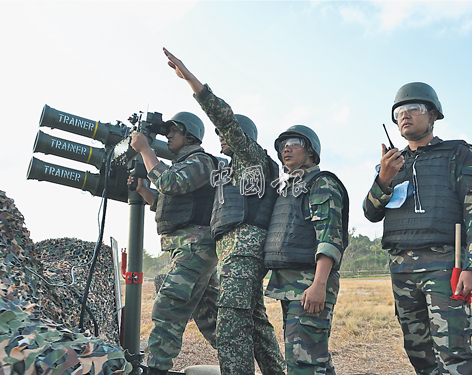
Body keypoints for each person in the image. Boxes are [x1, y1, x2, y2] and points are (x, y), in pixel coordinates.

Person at [163, 47, 285, 375]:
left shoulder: (251, 157)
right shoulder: (230, 172)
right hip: (233, 254)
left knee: (230, 328)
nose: (219, 137)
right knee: (257, 323)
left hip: (244, 252)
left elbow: (225, 118)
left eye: (223, 134)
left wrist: (191, 80)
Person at [362, 82, 472, 374]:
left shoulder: (459, 154)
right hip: (402, 269)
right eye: (399, 112)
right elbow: (370, 213)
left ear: (433, 115)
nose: (404, 116)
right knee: (419, 352)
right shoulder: (390, 164)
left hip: (445, 265)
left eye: (414, 109)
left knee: (454, 351)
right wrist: (383, 179)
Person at [127, 112, 219, 375]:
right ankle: (241, 362)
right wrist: (144, 190)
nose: (168, 135)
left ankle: (156, 371)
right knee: (211, 319)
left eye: (174, 130)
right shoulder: (181, 165)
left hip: (195, 249)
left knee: (167, 309)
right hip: (188, 250)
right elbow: (166, 204)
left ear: (189, 135)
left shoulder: (201, 161)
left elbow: (171, 182)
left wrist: (145, 149)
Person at [263, 125, 350, 375]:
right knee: (313, 358)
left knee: (303, 362)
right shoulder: (288, 188)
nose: (285, 148)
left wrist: (318, 284)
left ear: (311, 151)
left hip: (310, 283)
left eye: (294, 142)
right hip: (290, 285)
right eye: (282, 145)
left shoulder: (321, 183)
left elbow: (329, 237)